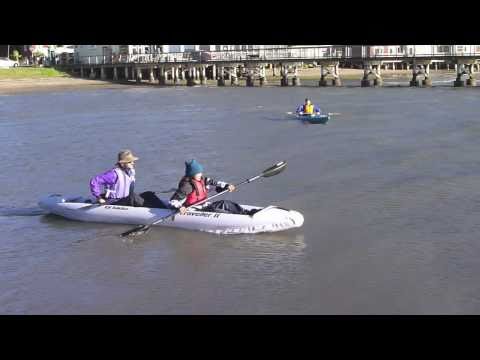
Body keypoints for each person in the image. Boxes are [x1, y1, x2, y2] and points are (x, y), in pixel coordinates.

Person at [89, 149, 166, 208]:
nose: (133, 163)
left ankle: (165, 209)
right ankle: (156, 212)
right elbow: (94, 181)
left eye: (132, 161)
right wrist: (99, 198)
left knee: (149, 194)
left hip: (126, 199)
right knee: (133, 196)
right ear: (122, 164)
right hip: (114, 202)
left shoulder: (130, 172)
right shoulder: (113, 174)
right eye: (130, 162)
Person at [169, 159, 238, 215]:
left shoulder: (203, 180)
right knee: (216, 210)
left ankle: (245, 212)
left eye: (201, 172)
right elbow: (173, 200)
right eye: (198, 173)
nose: (200, 174)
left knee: (224, 203)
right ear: (191, 174)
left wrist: (227, 186)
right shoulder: (187, 187)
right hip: (192, 209)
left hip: (203, 206)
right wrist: (180, 207)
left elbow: (216, 185)